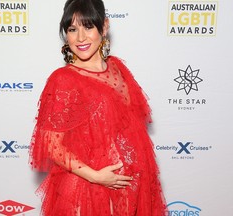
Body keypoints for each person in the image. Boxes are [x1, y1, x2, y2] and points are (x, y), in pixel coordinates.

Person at [29, 0, 167, 215]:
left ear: (104, 26)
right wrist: (96, 176)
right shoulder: (63, 79)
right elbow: (51, 144)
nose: (80, 37)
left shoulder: (117, 68)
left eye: (88, 26)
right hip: (87, 189)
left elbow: (131, 128)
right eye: (72, 29)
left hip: (128, 187)